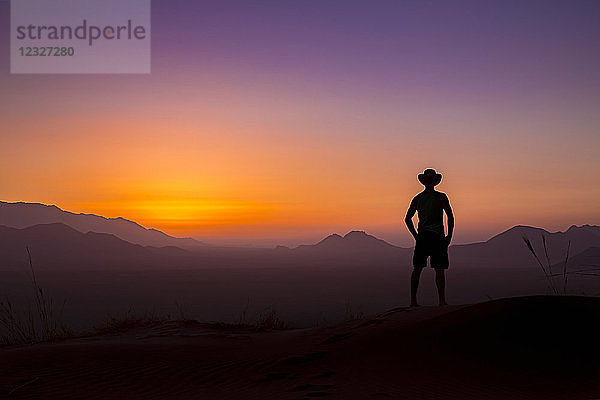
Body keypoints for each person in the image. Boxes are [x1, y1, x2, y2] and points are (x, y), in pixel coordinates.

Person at [405, 168, 454, 307]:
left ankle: (413, 301)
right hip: (437, 237)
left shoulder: (418, 198)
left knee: (418, 268)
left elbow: (408, 219)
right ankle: (442, 301)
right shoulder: (441, 197)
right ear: (434, 181)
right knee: (439, 269)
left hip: (423, 237)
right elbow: (450, 216)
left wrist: (416, 236)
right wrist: (449, 235)